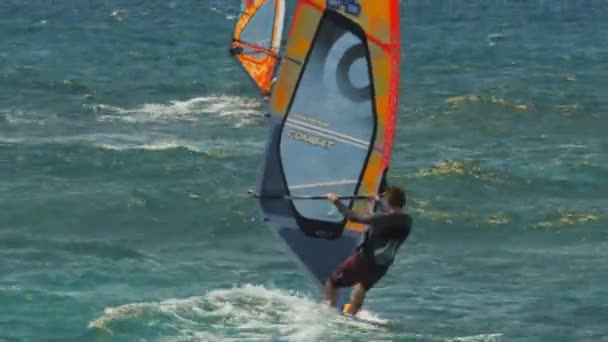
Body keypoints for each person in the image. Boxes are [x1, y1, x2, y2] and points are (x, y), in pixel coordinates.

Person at [324, 185, 413, 315]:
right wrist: (377, 201)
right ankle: (351, 316)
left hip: (363, 261)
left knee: (332, 282)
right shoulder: (408, 221)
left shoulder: (379, 219)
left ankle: (330, 312)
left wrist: (336, 201)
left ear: (388, 202)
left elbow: (352, 217)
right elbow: (390, 216)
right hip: (382, 266)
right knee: (362, 286)